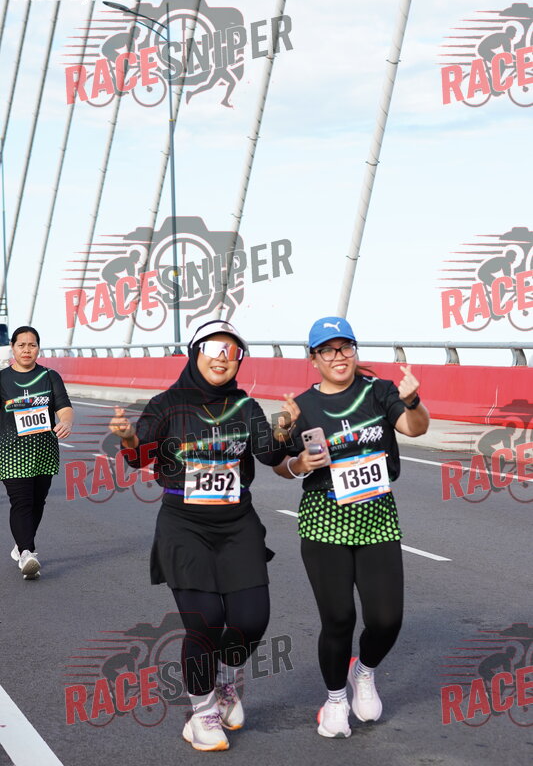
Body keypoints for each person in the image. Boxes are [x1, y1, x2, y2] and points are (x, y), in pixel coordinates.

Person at [108, 319, 297, 752]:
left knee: (251, 620)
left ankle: (226, 680)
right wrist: (129, 438)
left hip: (238, 525)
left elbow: (270, 454)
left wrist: (283, 429)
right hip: (184, 526)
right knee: (205, 622)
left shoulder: (245, 406)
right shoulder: (167, 405)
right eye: (214, 348)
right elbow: (139, 457)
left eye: (232, 352)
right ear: (196, 353)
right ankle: (202, 712)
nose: (223, 358)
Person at [274, 316, 430, 738]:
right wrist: (299, 460)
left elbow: (415, 428)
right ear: (313, 359)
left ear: (355, 351)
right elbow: (281, 466)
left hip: (377, 516)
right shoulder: (302, 406)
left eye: (345, 347)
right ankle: (334, 699)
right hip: (324, 519)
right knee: (339, 618)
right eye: (327, 350)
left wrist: (413, 401)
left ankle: (364, 670)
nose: (338, 357)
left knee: (386, 619)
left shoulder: (379, 392)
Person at [2, 326, 73, 579]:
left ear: (38, 348)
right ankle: (26, 553)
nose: (26, 350)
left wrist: (66, 422)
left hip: (44, 451)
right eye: (21, 345)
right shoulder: (2, 379)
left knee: (37, 502)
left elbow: (64, 407)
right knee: (21, 501)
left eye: (32, 345)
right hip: (11, 452)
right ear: (13, 348)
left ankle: (22, 545)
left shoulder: (49, 376)